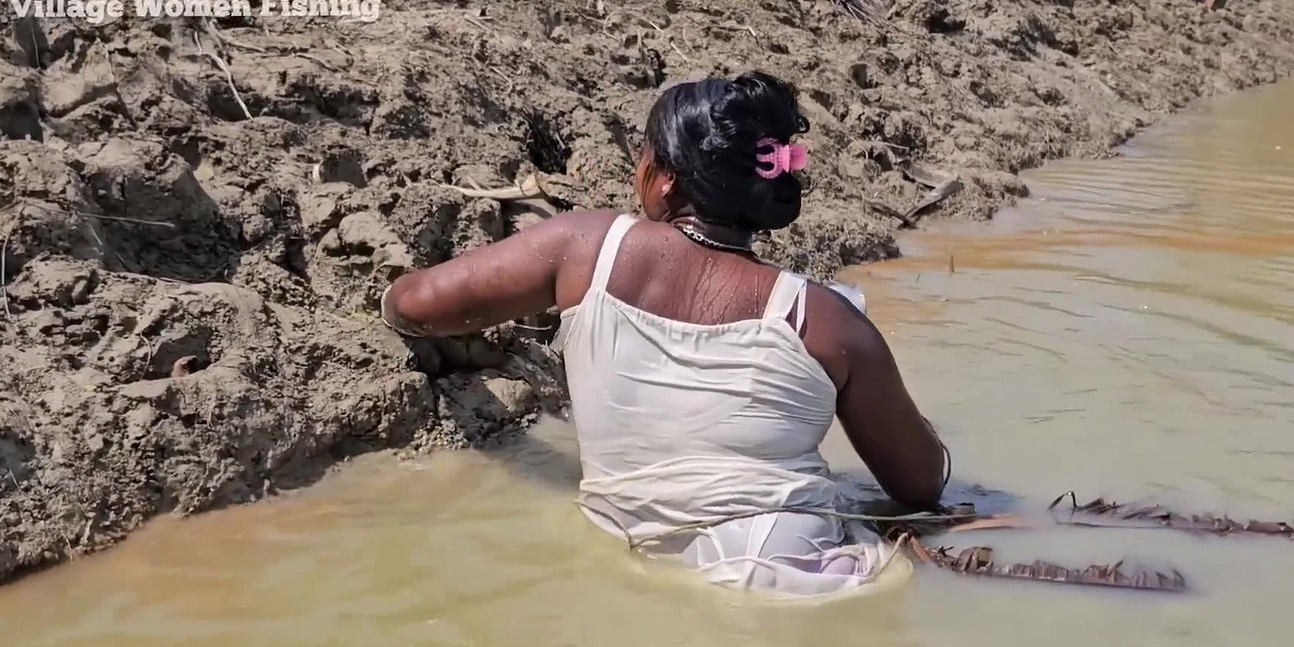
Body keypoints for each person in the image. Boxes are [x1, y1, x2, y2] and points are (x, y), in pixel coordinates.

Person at [381, 71, 948, 596]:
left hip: (626, 558)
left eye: (643, 158)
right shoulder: (828, 320)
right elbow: (921, 486)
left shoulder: (586, 249)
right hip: (797, 580)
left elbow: (415, 306)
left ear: (666, 179)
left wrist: (385, 299)